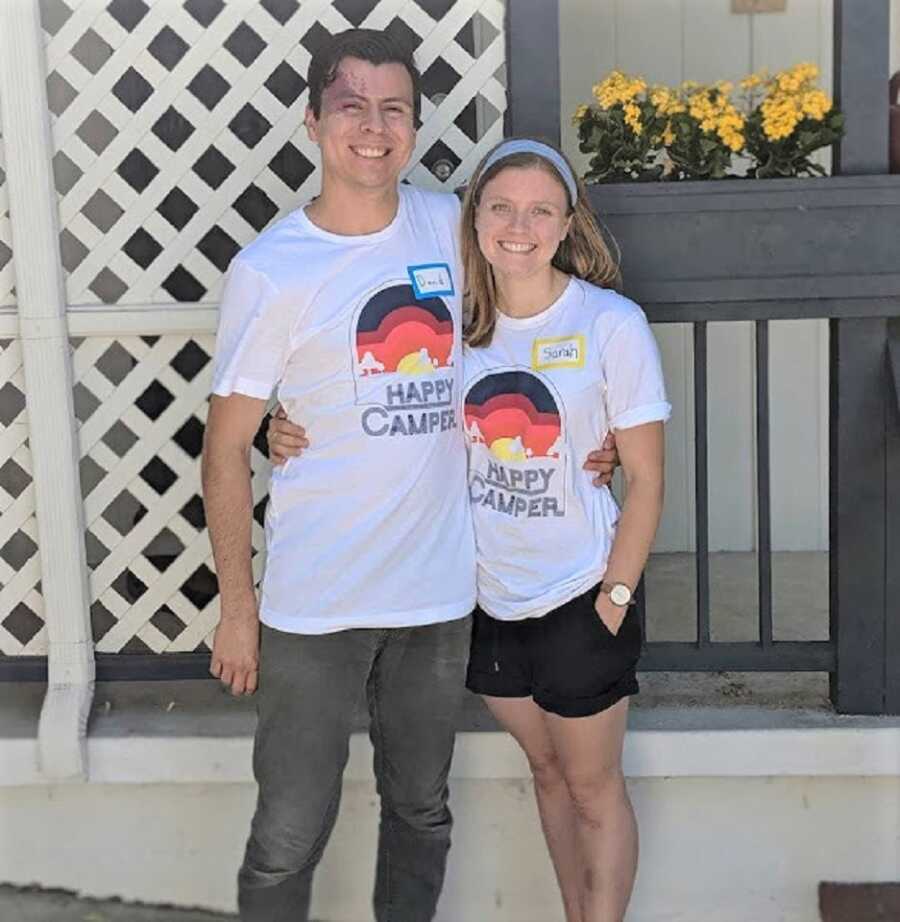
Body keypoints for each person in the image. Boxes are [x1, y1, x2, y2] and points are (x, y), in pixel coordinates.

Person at [202, 27, 618, 922]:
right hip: (316, 603)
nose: (373, 127)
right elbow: (224, 446)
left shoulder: (451, 226)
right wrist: (239, 609)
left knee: (422, 811)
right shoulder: (272, 272)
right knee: (287, 830)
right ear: (313, 121)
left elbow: (547, 321)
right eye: (351, 106)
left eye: (394, 109)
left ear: (415, 126)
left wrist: (604, 430)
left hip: (436, 598)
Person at [269, 137, 670, 922]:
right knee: (548, 779)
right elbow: (376, 398)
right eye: (501, 208)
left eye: (540, 211)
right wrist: (279, 429)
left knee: (593, 788)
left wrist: (615, 597)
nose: (519, 226)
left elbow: (648, 478)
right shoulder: (456, 328)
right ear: (475, 220)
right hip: (484, 604)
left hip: (581, 596)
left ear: (566, 224)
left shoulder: (610, 325)